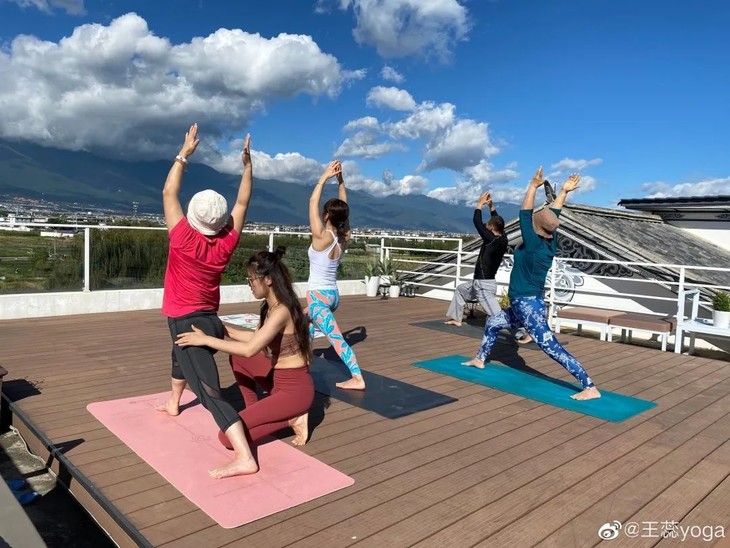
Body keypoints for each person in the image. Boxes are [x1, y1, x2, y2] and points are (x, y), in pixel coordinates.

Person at [157, 124, 259, 478]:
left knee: (209, 392)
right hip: (209, 318)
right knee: (178, 357)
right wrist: (248, 166)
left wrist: (183, 154)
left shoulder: (183, 238)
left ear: (194, 217)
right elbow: (242, 202)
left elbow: (169, 191)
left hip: (188, 324)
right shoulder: (227, 241)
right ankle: (173, 402)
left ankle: (244, 456)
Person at [462, 166, 601, 401]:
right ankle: (480, 359)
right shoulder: (549, 240)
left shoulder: (534, 245)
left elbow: (525, 214)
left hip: (528, 307)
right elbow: (552, 216)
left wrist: (532, 186)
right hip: (522, 304)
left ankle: (589, 386)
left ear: (536, 229)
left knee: (550, 347)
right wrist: (563, 192)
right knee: (493, 323)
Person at [176, 248, 314, 448]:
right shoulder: (270, 307)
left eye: (251, 279)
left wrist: (206, 340)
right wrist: (221, 329)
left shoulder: (282, 311)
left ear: (268, 279)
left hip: (295, 391)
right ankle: (254, 409)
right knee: (238, 358)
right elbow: (254, 338)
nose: (249, 285)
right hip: (278, 380)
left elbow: (250, 349)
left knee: (227, 438)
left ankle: (293, 419)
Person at [306, 160, 365, 390]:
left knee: (336, 339)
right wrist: (341, 182)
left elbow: (312, 201)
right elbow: (345, 209)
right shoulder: (343, 238)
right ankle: (305, 361)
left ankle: (357, 377)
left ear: (325, 216)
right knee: (303, 321)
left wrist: (324, 177)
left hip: (318, 298)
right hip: (332, 296)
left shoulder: (321, 237)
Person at [444, 191, 510, 327]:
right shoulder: (503, 238)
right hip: (478, 283)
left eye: (488, 225)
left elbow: (477, 222)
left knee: (497, 316)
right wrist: (491, 206)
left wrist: (480, 203)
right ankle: (457, 319)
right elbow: (497, 221)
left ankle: (521, 331)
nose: (486, 225)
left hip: (484, 286)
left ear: (492, 227)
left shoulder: (491, 239)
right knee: (461, 290)